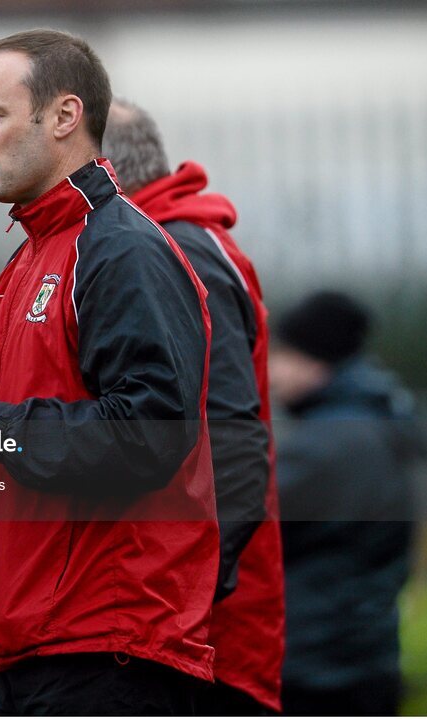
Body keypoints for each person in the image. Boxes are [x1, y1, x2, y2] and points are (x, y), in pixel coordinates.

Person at [0, 30, 218, 715]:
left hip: (107, 657)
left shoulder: (119, 251)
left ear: (64, 117)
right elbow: (38, 462)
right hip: (32, 656)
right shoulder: (27, 261)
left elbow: (151, 435)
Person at [104, 99, 284, 715]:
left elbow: (233, 449)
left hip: (202, 644)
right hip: (187, 629)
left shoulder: (177, 250)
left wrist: (186, 598)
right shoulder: (176, 239)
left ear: (100, 167)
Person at [272, 290, 426, 716]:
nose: (272, 370)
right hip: (364, 657)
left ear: (315, 361)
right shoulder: (374, 424)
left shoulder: (329, 445)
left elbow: (245, 529)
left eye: (283, 354)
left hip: (318, 669)